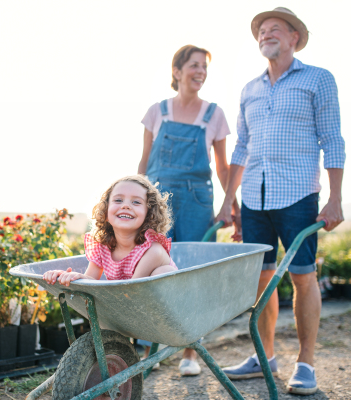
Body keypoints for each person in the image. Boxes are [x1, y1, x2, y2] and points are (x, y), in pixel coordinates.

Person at [216, 7, 346, 395]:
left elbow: (332, 139)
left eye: (275, 29)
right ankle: (264, 357)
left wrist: (335, 198)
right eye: (260, 30)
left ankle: (306, 364)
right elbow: (241, 146)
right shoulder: (249, 89)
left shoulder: (318, 80)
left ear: (294, 38)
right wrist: (228, 201)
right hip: (254, 196)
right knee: (261, 279)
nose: (265, 34)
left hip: (298, 195)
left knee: (302, 276)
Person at [137, 44, 241, 376]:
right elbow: (143, 162)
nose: (200, 72)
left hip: (197, 200)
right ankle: (151, 351)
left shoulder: (214, 115)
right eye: (194, 65)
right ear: (177, 71)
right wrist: (133, 201)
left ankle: (190, 354)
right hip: (158, 202)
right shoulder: (157, 112)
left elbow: (223, 169)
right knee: (155, 272)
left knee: (191, 274)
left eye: (205, 67)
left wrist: (230, 205)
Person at [43, 175, 177, 285]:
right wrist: (70, 276)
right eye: (118, 200)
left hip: (156, 305)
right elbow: (91, 284)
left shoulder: (153, 250)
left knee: (164, 271)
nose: (126, 205)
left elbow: (132, 291)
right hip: (130, 303)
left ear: (149, 215)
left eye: (136, 202)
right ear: (106, 211)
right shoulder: (103, 246)